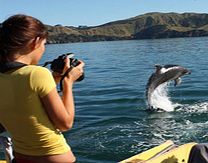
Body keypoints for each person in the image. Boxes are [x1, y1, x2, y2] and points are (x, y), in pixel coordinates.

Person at [0, 14, 84, 163]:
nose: (43, 49)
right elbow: (65, 124)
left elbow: (25, 102)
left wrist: (55, 79)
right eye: (44, 44)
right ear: (36, 42)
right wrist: (68, 82)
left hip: (20, 158)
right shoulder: (37, 73)